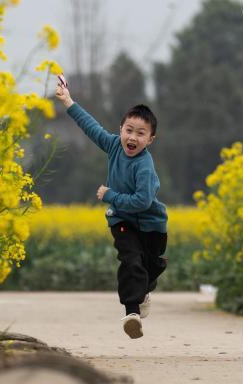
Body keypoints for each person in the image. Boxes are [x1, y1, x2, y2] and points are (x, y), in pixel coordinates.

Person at [55, 79, 167, 340]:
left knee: (151, 267)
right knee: (130, 261)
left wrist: (110, 194)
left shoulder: (144, 167)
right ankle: (132, 313)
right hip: (122, 220)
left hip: (151, 225)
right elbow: (91, 128)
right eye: (129, 130)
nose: (132, 137)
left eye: (141, 133)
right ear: (120, 130)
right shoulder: (114, 145)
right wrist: (68, 102)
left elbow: (142, 201)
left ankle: (146, 288)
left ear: (151, 140)